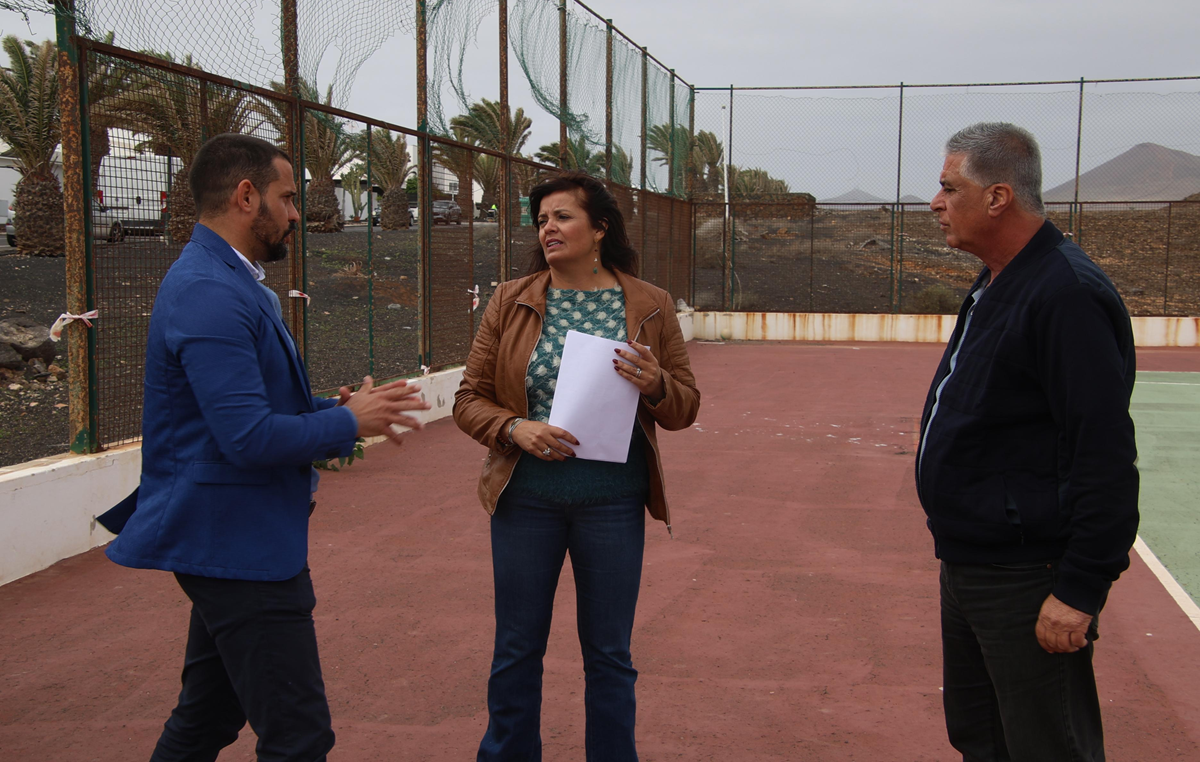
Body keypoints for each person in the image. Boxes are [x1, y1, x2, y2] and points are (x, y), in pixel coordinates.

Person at [98, 133, 430, 761]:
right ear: (247, 197)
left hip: (231, 537)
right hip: (235, 543)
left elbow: (248, 412)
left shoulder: (229, 280)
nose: (296, 213)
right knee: (298, 737)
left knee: (207, 717)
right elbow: (247, 437)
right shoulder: (209, 289)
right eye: (288, 197)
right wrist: (346, 423)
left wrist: (338, 413)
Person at [454, 171, 700, 761]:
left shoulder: (650, 304)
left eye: (562, 216)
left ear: (600, 228)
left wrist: (656, 383)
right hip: (525, 499)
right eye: (541, 220)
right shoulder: (510, 299)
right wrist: (515, 427)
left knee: (610, 654)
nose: (548, 228)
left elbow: (685, 406)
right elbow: (468, 399)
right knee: (516, 649)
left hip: (613, 501)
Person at [917, 122, 1139, 761]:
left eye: (949, 187)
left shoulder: (1065, 294)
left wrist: (1079, 591)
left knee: (1046, 746)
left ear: (997, 197)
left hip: (1025, 575)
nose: (935, 202)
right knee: (982, 738)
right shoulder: (997, 279)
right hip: (971, 563)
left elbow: (1103, 454)